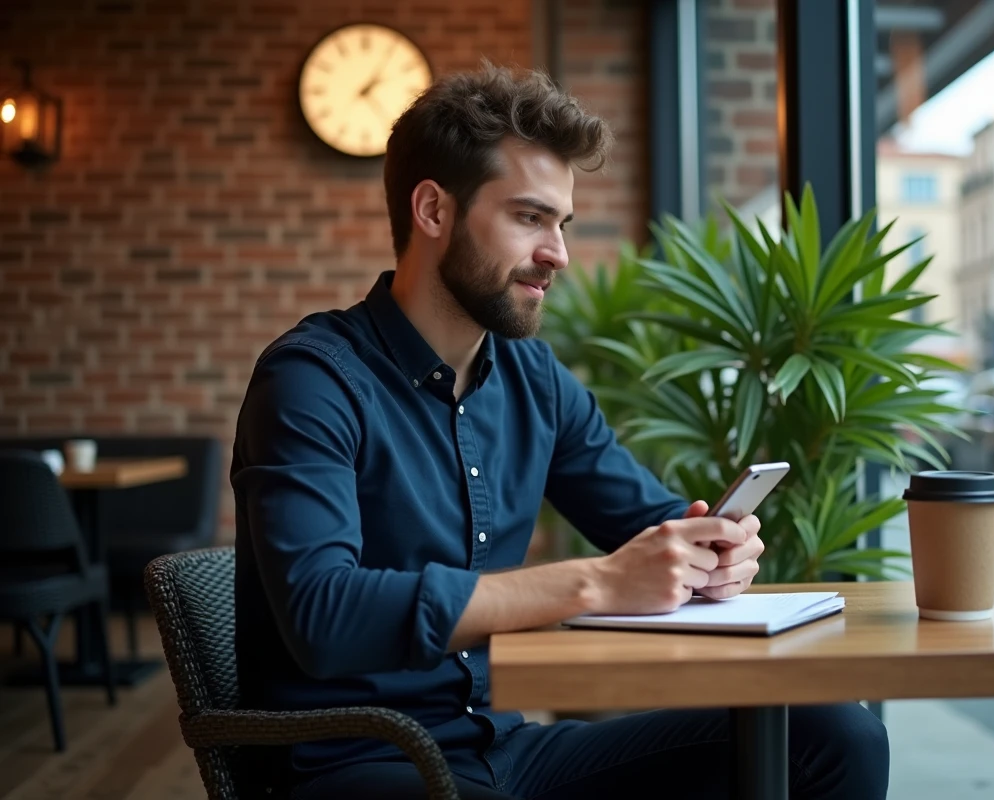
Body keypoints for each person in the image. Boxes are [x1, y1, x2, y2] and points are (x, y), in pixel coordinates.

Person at [231, 62, 889, 800]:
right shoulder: (311, 380)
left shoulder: (532, 380)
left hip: (507, 748)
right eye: (528, 217)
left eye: (561, 223)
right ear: (432, 210)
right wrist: (598, 582)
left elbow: (650, 523)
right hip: (357, 764)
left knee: (832, 734)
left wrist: (713, 552)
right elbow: (324, 613)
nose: (558, 254)